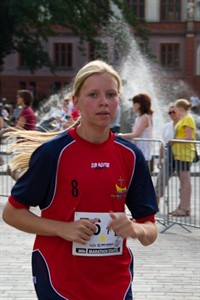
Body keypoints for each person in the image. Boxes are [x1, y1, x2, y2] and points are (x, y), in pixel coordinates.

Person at [2, 60, 158, 300]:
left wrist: (135, 228)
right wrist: (62, 229)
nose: (103, 101)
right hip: (61, 281)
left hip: (115, 281)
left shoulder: (130, 155)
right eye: (93, 95)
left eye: (111, 94)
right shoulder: (54, 153)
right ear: (75, 101)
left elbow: (150, 229)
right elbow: (12, 213)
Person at [170, 98, 197, 217]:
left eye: (175, 109)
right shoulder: (184, 119)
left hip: (184, 154)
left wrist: (174, 141)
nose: (174, 111)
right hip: (180, 154)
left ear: (180, 109)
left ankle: (185, 208)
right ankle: (183, 207)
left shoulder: (188, 119)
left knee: (185, 181)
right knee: (183, 181)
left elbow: (189, 137)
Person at [118, 93, 153, 167]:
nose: (133, 106)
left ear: (138, 105)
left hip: (143, 151)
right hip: (139, 150)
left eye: (134, 103)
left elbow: (136, 134)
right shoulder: (139, 118)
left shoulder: (145, 117)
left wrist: (120, 135)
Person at [154, 104, 179, 205]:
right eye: (169, 112)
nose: (171, 114)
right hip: (169, 154)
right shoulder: (167, 126)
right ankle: (155, 206)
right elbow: (162, 143)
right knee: (160, 179)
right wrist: (160, 159)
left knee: (184, 182)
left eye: (173, 112)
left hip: (180, 155)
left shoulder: (182, 124)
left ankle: (183, 207)